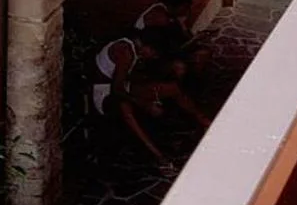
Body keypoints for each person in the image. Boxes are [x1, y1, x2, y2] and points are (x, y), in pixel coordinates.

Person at [91, 28, 212, 174]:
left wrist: (151, 88)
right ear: (147, 46)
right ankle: (159, 158)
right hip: (104, 92)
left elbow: (128, 79)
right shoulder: (126, 51)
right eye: (154, 53)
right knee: (126, 109)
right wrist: (145, 104)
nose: (153, 56)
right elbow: (117, 89)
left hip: (123, 86)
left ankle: (203, 120)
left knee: (171, 88)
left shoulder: (136, 48)